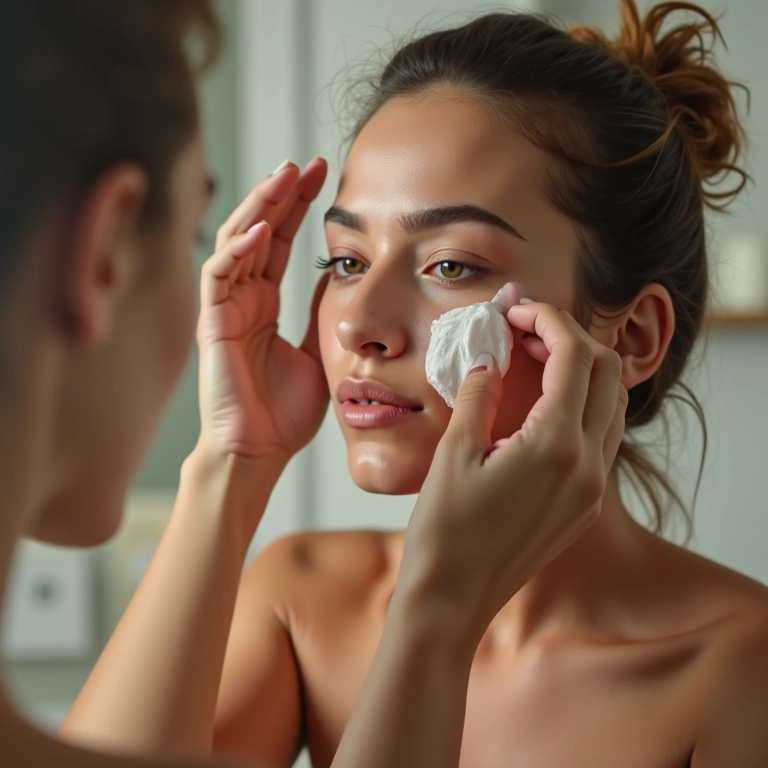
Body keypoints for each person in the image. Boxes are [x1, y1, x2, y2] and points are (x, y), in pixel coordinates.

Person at [64, 1, 768, 767]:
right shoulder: (304, 604)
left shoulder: (740, 671)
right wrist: (234, 461)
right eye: (347, 261)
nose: (357, 323)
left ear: (631, 338)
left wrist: (438, 606)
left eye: (450, 266)